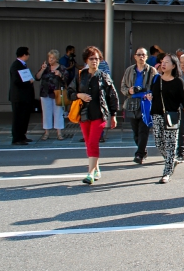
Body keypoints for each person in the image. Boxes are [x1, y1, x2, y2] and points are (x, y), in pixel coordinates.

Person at [68, 46, 119, 185]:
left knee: (92, 142)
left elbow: (112, 96)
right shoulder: (80, 75)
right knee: (88, 142)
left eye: (97, 59)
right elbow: (70, 92)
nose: (94, 61)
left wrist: (113, 115)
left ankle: (90, 173)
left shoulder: (103, 76)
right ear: (86, 60)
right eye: (92, 59)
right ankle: (96, 169)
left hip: (99, 114)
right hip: (84, 114)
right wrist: (79, 95)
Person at [147, 54, 184, 184]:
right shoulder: (156, 79)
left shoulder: (178, 82)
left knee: (170, 145)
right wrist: (149, 95)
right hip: (156, 115)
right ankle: (172, 160)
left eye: (167, 62)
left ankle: (167, 173)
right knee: (159, 143)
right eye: (163, 62)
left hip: (172, 116)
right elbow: (151, 93)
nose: (163, 64)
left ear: (173, 66)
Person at [120, 47, 158, 164]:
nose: (141, 57)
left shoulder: (152, 71)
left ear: (146, 57)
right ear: (135, 57)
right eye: (139, 55)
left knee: (143, 130)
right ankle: (143, 149)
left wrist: (150, 94)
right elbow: (123, 87)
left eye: (143, 55)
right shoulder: (129, 71)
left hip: (146, 104)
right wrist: (129, 91)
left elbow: (156, 87)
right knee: (135, 132)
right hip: (132, 103)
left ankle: (139, 154)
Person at [34, 49, 65, 141]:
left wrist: (60, 75)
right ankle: (46, 132)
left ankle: (59, 133)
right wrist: (42, 69)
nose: (50, 60)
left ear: (56, 59)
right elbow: (37, 77)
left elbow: (66, 79)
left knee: (58, 113)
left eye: (52, 58)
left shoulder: (61, 68)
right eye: (49, 57)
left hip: (57, 93)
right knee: (46, 113)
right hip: (45, 93)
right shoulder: (45, 67)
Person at [9, 47, 36, 145]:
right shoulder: (16, 65)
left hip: (24, 97)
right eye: (28, 54)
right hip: (18, 97)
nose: (28, 56)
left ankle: (22, 136)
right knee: (18, 118)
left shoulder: (22, 65)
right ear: (24, 55)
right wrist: (28, 82)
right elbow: (16, 81)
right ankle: (16, 138)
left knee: (24, 117)